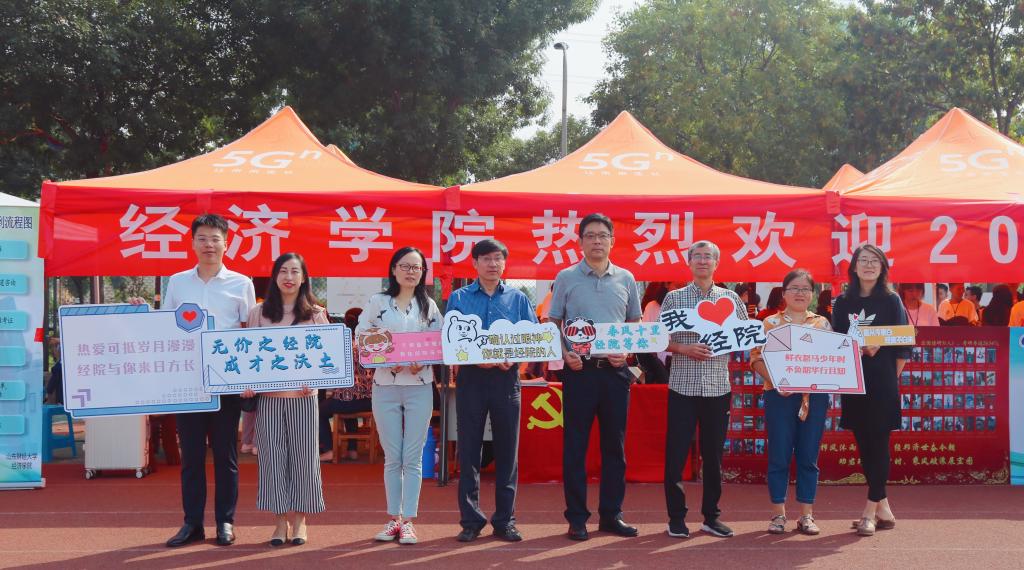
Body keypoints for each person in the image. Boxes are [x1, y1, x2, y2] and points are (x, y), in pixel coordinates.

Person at [154, 214, 257, 547]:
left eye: (215, 238)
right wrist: (138, 313)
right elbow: (165, 327)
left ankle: (225, 522)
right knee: (192, 458)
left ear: (226, 243)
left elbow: (249, 333)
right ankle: (192, 524)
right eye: (202, 238)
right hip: (188, 383)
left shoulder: (241, 283)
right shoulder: (177, 282)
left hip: (226, 384)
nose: (209, 245)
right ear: (193, 243)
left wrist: (247, 378)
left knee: (226, 456)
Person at [549, 213, 642, 541]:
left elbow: (634, 322)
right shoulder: (566, 277)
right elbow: (553, 322)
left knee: (615, 447)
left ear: (612, 241)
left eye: (603, 235)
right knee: (575, 447)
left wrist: (626, 351)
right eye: (590, 235)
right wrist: (565, 353)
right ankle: (576, 518)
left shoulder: (627, 278)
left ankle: (612, 515)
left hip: (615, 372)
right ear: (580, 242)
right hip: (579, 372)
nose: (597, 241)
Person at [447, 238, 536, 543]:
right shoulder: (459, 297)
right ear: (474, 263)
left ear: (504, 263)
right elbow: (451, 339)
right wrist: (474, 359)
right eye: (486, 258)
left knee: (508, 451)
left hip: (506, 379)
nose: (493, 264)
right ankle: (470, 520)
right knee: (469, 450)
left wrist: (515, 359)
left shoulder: (518, 298)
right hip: (471, 379)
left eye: (498, 258)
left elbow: (532, 338)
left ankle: (505, 520)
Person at [661, 240, 747, 539]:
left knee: (713, 457)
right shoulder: (674, 298)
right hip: (682, 387)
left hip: (717, 388)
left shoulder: (731, 298)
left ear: (716, 263)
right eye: (696, 256)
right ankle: (676, 518)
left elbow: (744, 336)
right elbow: (658, 338)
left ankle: (712, 516)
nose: (702, 261)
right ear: (689, 262)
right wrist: (683, 348)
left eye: (708, 256)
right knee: (676, 455)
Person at [359, 246, 442, 545]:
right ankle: (394, 518)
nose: (411, 272)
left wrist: (425, 360)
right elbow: (362, 337)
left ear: (423, 273)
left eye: (417, 267)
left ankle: (408, 521)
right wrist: (384, 359)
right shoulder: (378, 302)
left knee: (413, 457)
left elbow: (439, 342)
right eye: (405, 266)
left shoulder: (429, 306)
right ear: (393, 270)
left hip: (420, 386)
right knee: (393, 457)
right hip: (385, 386)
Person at [242, 253, 326, 546]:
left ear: (303, 278)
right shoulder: (258, 313)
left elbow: (325, 357)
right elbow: (247, 355)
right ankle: (279, 522)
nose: (289, 277)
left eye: (295, 271)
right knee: (272, 460)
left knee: (304, 459)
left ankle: (301, 521)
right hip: (269, 400)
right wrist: (247, 384)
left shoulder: (315, 313)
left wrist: (314, 380)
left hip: (304, 399)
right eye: (283, 271)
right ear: (274, 276)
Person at [831, 244, 909, 537]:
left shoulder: (891, 300)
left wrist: (889, 377)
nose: (868, 265)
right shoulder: (842, 302)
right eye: (863, 260)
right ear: (854, 267)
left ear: (883, 267)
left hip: (882, 383)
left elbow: (903, 346)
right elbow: (836, 341)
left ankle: (869, 511)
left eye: (875, 261)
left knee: (879, 442)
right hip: (853, 382)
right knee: (864, 444)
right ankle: (884, 509)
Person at [750, 269, 830, 535]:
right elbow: (755, 359)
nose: (800, 293)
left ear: (812, 294)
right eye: (794, 288)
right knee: (780, 454)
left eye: (805, 289)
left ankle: (806, 515)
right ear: (783, 293)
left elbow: (833, 360)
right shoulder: (769, 323)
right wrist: (777, 381)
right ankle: (778, 514)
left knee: (809, 455)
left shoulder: (822, 324)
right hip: (779, 396)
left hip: (814, 398)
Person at [638, 282, 677, 384]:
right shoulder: (652, 307)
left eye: (685, 286)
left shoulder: (689, 307)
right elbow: (644, 336)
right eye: (677, 286)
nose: (682, 290)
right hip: (659, 364)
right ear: (666, 284)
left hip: (683, 363)